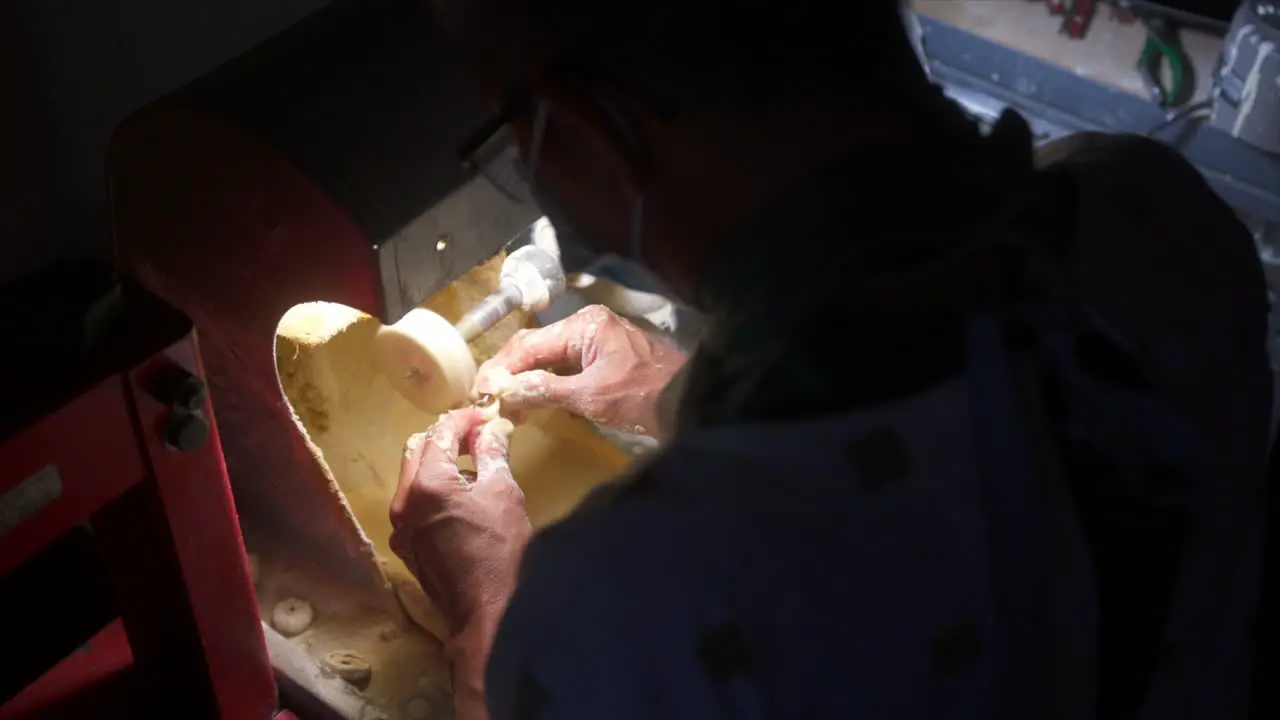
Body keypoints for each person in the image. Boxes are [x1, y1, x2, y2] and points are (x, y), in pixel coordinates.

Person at [388, 1, 1275, 717]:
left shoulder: (627, 606)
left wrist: (490, 619)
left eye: (523, 145)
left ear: (588, 130)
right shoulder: (1156, 216)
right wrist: (682, 389)